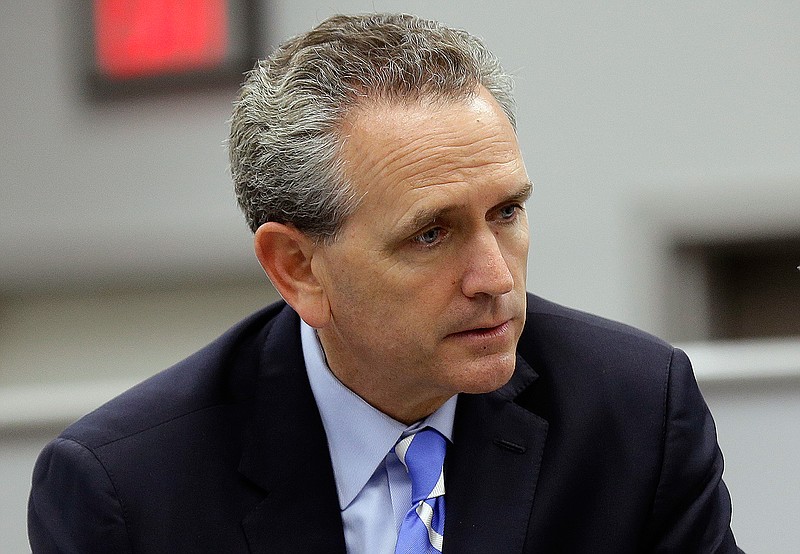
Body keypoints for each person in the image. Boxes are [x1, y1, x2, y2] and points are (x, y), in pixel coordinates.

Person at [28, 12, 742, 553]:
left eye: (507, 212)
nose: (495, 277)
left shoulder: (634, 411)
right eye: (431, 234)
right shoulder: (127, 490)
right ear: (297, 268)